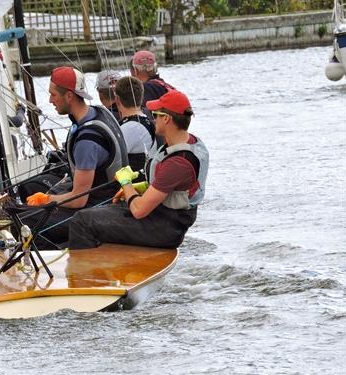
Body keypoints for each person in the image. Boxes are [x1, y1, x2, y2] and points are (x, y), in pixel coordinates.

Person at [68, 90, 209, 250]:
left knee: (82, 221)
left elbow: (139, 210)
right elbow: (174, 188)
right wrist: (140, 187)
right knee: (100, 211)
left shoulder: (178, 163)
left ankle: (87, 273)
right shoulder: (191, 142)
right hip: (164, 217)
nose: (151, 117)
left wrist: (126, 182)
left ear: (167, 118)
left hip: (164, 228)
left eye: (155, 114)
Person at [24, 66, 126, 249]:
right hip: (106, 201)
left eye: (53, 95)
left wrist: (46, 200)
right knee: (32, 197)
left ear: (69, 96)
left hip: (101, 210)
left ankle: (50, 266)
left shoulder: (87, 141)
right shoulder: (97, 112)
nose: (50, 100)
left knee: (26, 221)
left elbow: (79, 200)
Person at [114, 75, 155, 171]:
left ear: (117, 100)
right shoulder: (145, 119)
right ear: (141, 97)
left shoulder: (130, 128)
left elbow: (112, 162)